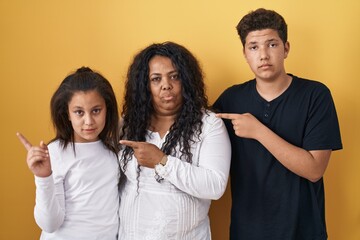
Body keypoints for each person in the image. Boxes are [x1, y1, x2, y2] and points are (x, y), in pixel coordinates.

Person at [213, 8, 343, 240]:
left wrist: (258, 131)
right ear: (244, 53)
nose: (263, 55)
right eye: (254, 47)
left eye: (272, 44)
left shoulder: (315, 95)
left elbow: (314, 170)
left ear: (286, 48)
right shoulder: (231, 98)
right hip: (247, 232)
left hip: (303, 231)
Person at [118, 41, 231, 239]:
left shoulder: (209, 125)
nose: (166, 85)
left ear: (186, 81)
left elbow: (215, 185)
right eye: (155, 79)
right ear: (145, 86)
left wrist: (162, 161)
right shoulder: (127, 125)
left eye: (174, 76)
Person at [16, 67, 121, 240]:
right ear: (67, 114)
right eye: (79, 112)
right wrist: (43, 177)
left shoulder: (112, 151)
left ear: (107, 109)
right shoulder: (55, 153)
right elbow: (49, 224)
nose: (88, 121)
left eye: (96, 110)